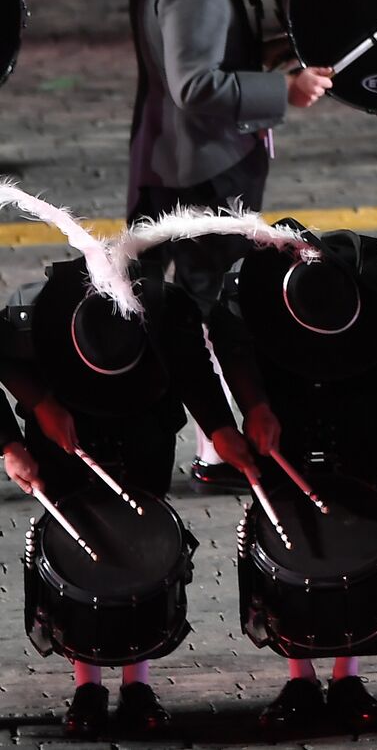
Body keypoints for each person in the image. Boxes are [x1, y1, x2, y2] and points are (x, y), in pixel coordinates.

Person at [0, 192, 262, 737]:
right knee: (79, 549)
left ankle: (137, 682)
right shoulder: (32, 317)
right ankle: (87, 684)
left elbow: (195, 374)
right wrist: (14, 443)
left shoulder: (165, 313)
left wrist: (220, 431)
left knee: (140, 543)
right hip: (63, 430)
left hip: (144, 425)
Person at [206, 220, 377, 731]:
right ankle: (300, 675)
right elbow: (231, 346)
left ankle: (347, 672)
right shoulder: (250, 289)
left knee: (357, 540)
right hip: (282, 411)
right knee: (289, 545)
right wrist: (255, 407)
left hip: (356, 413)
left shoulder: (375, 290)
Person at [124, 0, 333, 488]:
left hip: (177, 157)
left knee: (175, 303)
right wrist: (285, 93)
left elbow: (218, 49)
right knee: (207, 307)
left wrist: (285, 50)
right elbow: (196, 84)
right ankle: (219, 450)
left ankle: (188, 437)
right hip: (200, 165)